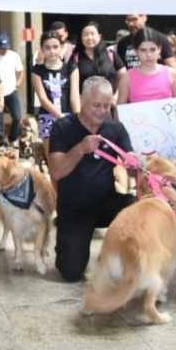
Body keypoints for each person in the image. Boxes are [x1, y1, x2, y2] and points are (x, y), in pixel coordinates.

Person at [48, 76, 136, 282]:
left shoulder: (115, 128)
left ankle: (129, 259)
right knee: (70, 272)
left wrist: (136, 165)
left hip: (107, 201)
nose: (102, 111)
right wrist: (80, 149)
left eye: (106, 106)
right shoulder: (63, 126)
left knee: (137, 207)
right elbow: (57, 172)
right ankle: (67, 243)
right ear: (82, 100)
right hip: (74, 207)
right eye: (96, 105)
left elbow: (133, 165)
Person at [116, 28, 176, 105]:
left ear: (160, 49)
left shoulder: (171, 73)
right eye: (143, 50)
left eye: (152, 49)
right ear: (136, 51)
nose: (148, 55)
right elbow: (120, 109)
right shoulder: (126, 77)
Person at [67, 22, 124, 112]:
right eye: (85, 34)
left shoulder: (111, 54)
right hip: (86, 108)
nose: (89, 37)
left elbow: (124, 77)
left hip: (110, 108)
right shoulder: (76, 58)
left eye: (92, 34)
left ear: (99, 36)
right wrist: (77, 113)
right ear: (81, 38)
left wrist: (116, 96)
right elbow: (74, 89)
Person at [0, 33, 25, 146]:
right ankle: (2, 141)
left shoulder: (14, 56)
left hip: (11, 90)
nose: (4, 50)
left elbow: (21, 71)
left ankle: (13, 138)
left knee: (17, 116)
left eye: (6, 48)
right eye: (1, 48)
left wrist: (18, 83)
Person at [32, 31, 71, 119]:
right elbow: (43, 99)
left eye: (55, 47)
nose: (52, 51)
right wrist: (60, 116)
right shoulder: (37, 70)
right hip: (47, 117)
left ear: (61, 47)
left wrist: (77, 117)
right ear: (42, 49)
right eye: (47, 48)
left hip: (69, 116)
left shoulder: (70, 68)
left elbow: (74, 97)